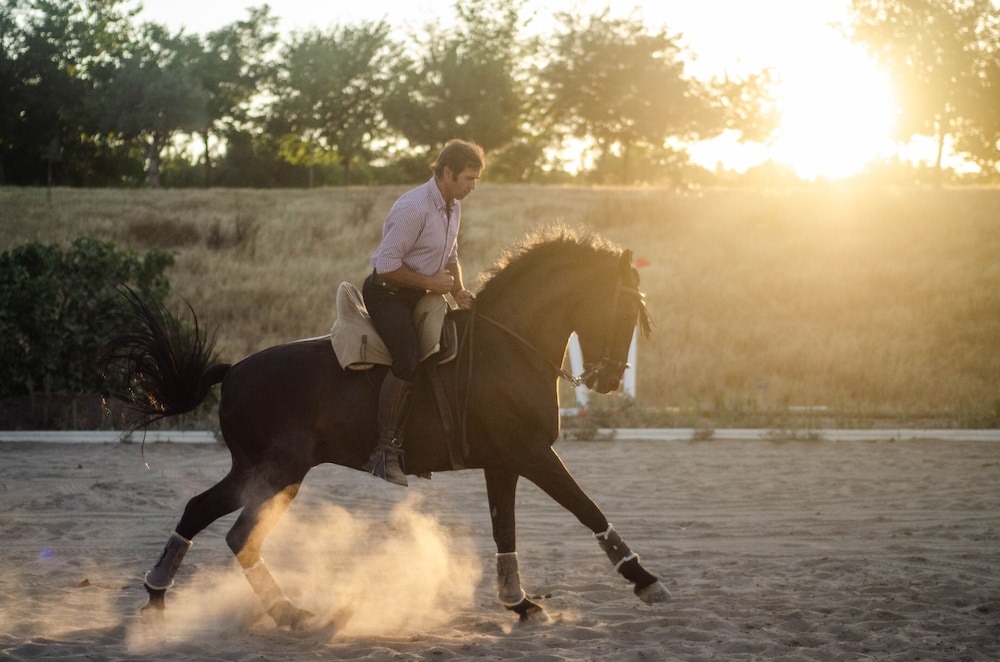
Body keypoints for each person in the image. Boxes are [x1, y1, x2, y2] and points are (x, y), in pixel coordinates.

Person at [361, 139, 484, 486]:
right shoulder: (413, 207)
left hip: (420, 294)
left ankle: (416, 444)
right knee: (407, 357)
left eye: (476, 179)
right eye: (469, 179)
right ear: (447, 173)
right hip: (387, 295)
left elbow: (450, 256)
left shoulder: (453, 206)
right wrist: (431, 283)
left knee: (444, 352)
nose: (473, 187)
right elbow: (386, 265)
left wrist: (458, 290)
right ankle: (384, 454)